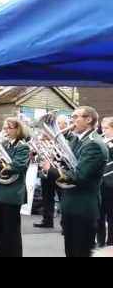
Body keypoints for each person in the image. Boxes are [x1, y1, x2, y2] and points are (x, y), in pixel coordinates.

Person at [41, 106, 108, 257]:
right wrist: (53, 162)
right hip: (71, 203)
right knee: (71, 251)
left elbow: (79, 176)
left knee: (80, 251)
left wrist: (51, 170)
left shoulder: (94, 144)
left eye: (76, 116)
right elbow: (66, 164)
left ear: (89, 119)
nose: (72, 120)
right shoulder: (77, 140)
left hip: (83, 207)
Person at [0, 117, 30, 257]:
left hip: (12, 192)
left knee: (11, 230)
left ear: (17, 129)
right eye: (4, 128)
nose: (5, 131)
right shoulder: (5, 144)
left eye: (8, 128)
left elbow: (18, 166)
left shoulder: (22, 146)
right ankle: (0, 252)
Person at [34, 115, 72, 229]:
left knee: (63, 198)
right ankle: (47, 220)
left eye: (60, 123)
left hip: (60, 171)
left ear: (66, 125)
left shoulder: (69, 138)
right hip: (46, 171)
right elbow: (40, 153)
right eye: (57, 123)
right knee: (46, 197)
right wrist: (36, 155)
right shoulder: (48, 137)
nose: (58, 126)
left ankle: (65, 225)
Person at [98, 117, 113, 248]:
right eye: (102, 128)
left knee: (111, 216)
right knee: (99, 215)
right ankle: (100, 241)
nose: (104, 131)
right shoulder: (102, 142)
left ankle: (111, 242)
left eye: (107, 128)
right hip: (101, 183)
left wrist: (110, 147)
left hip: (111, 184)